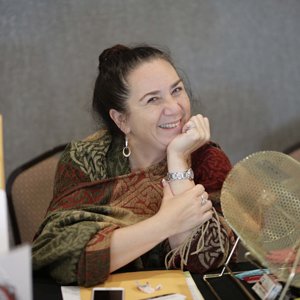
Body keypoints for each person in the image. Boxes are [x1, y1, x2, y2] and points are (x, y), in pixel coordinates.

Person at [32, 44, 235, 287]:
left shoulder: (208, 161)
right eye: (152, 99)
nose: (174, 108)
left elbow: (204, 260)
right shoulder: (86, 159)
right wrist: (165, 223)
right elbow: (62, 257)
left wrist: (178, 158)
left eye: (177, 90)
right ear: (122, 119)